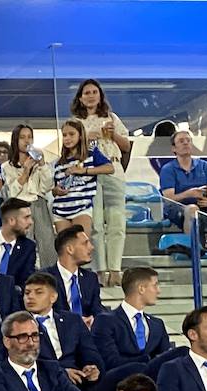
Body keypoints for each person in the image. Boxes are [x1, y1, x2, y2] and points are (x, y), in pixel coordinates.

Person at [70, 79, 131, 286]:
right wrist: (89, 136)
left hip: (113, 169)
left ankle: (115, 268)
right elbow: (70, 147)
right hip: (89, 174)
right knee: (95, 223)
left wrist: (112, 134)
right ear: (80, 97)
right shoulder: (76, 123)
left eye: (94, 92)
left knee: (117, 222)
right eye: (86, 92)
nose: (91, 95)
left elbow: (126, 146)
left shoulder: (112, 118)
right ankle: (99, 269)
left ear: (100, 95)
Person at [22, 271, 102, 391]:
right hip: (47, 383)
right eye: (27, 293)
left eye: (38, 292)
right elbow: (23, 361)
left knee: (132, 370)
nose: (30, 297)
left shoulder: (73, 320)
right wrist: (62, 372)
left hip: (81, 379)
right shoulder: (19, 325)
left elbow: (90, 351)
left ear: (53, 297)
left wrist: (92, 367)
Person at [90, 266, 171, 384]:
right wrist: (148, 361)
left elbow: (166, 359)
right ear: (141, 288)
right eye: (155, 285)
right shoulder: (106, 321)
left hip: (152, 382)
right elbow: (111, 362)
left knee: (182, 353)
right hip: (120, 381)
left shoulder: (157, 324)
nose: (158, 291)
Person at [159, 130, 207, 239]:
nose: (185, 143)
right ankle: (193, 248)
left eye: (188, 141)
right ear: (174, 148)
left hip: (203, 204)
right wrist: (189, 194)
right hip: (180, 207)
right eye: (181, 141)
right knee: (192, 209)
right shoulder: (168, 169)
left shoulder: (204, 165)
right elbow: (169, 198)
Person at [2, 124, 57, 266]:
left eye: (30, 137)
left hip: (39, 204)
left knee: (47, 242)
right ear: (15, 140)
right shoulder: (7, 167)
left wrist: (43, 164)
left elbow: (47, 186)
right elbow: (11, 192)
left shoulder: (38, 163)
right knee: (25, 243)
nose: (27, 141)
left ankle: (49, 275)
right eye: (22, 137)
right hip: (19, 206)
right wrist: (25, 171)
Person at [51, 119, 114, 235]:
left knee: (81, 243)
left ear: (80, 135)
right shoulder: (59, 163)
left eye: (71, 134)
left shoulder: (91, 154)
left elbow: (110, 168)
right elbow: (54, 190)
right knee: (65, 247)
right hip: (60, 210)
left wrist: (84, 170)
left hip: (82, 208)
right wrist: (56, 191)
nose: (67, 138)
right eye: (64, 135)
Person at [45, 225, 105, 321]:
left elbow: (97, 310)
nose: (91, 247)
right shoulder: (45, 278)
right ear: (70, 249)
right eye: (85, 243)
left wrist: (93, 319)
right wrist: (74, 324)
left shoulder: (90, 278)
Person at [0, 198, 37, 287]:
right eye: (26, 217)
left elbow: (26, 282)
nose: (31, 222)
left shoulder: (28, 248)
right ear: (11, 220)